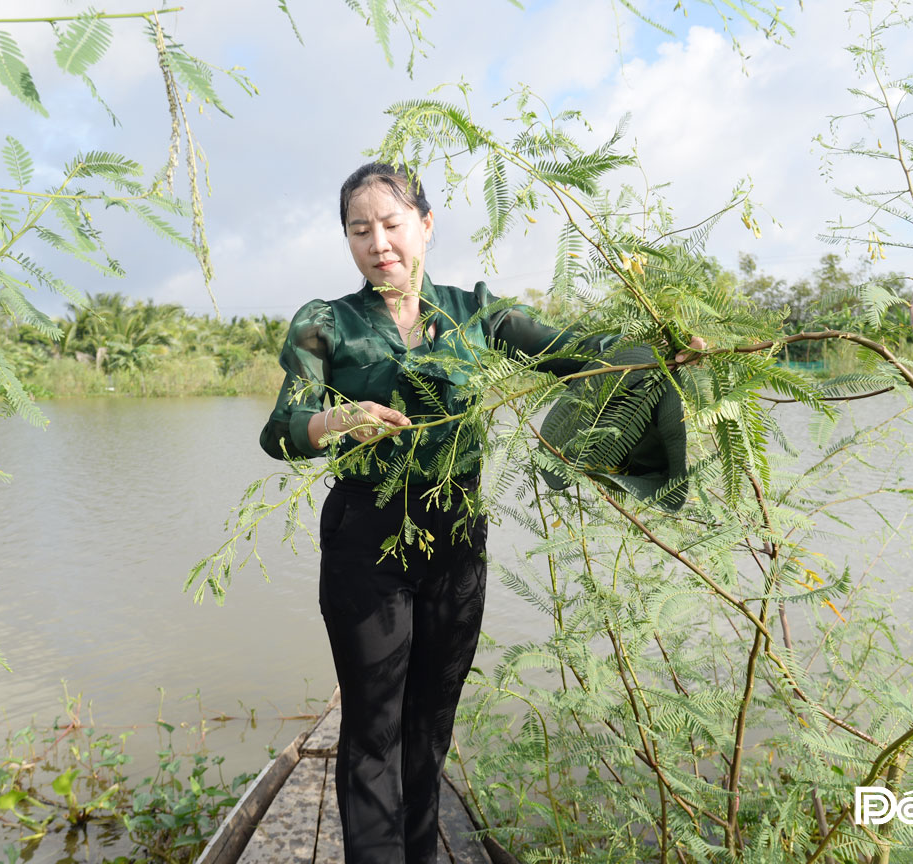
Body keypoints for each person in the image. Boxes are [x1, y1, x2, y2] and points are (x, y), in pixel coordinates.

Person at [259, 161, 704, 864]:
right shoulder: (328, 324)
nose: (379, 243)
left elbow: (576, 354)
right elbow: (284, 425)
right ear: (346, 239)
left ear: (426, 226)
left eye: (392, 224)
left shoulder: (477, 316)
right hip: (365, 540)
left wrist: (658, 354)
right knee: (375, 726)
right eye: (359, 229)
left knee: (432, 724)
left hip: (457, 541)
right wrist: (336, 419)